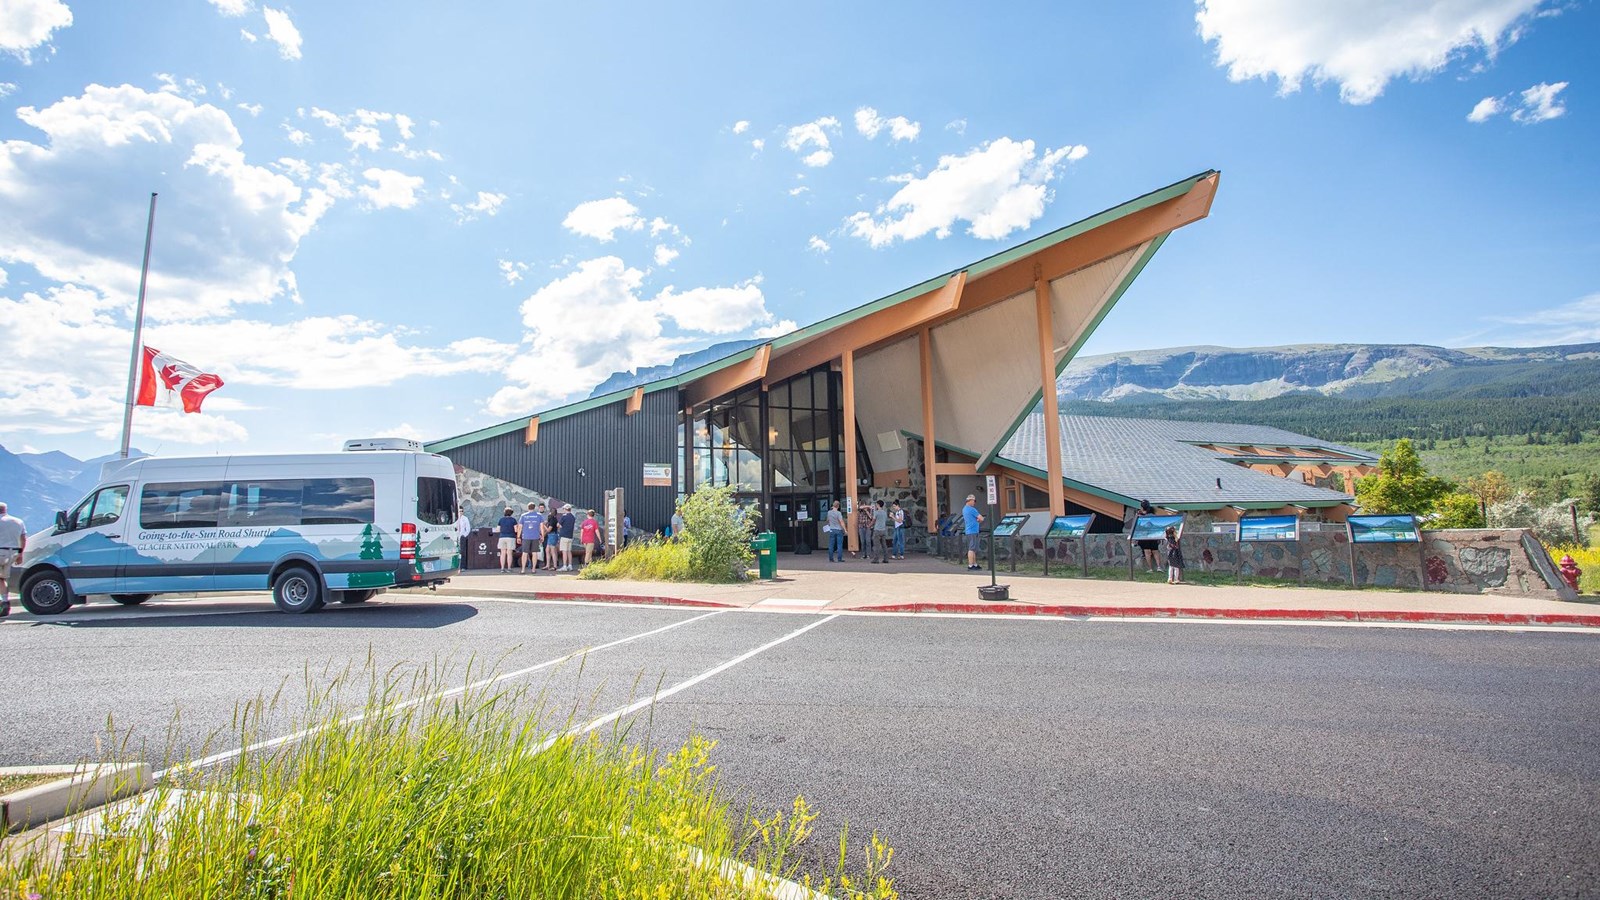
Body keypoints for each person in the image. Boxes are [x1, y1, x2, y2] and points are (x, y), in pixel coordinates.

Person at [0, 502, 26, 618]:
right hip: (13, 552)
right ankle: (5, 601)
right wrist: (20, 554)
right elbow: (23, 538)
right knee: (2, 578)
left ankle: (4, 603)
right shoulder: (18, 521)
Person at [517, 502, 545, 573]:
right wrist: (542, 535)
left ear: (528, 507)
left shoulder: (523, 516)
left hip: (526, 537)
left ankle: (523, 569)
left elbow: (520, 527)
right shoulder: (539, 515)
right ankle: (533, 569)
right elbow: (541, 526)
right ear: (534, 507)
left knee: (524, 553)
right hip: (535, 536)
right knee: (534, 553)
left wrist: (518, 537)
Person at [1134, 499, 1160, 573]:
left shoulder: (1139, 516)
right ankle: (1159, 567)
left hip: (1144, 536)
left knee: (1147, 552)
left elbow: (1137, 525)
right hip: (1153, 535)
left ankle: (1150, 568)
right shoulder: (1153, 515)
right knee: (1155, 551)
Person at [962, 494, 984, 571]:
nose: (974, 502)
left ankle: (974, 564)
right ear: (970, 501)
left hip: (969, 530)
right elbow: (981, 518)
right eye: (974, 501)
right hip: (973, 530)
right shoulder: (972, 509)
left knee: (973, 548)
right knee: (972, 548)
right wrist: (978, 520)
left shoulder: (964, 509)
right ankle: (971, 565)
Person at [495, 506, 518, 572]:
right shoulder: (513, 520)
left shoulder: (501, 520)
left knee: (502, 553)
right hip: (511, 537)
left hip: (502, 537)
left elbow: (498, 529)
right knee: (509, 553)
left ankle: (502, 568)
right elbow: (516, 530)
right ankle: (509, 568)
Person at [558, 504, 577, 571]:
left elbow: (558, 525)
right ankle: (570, 565)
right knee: (569, 551)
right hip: (570, 536)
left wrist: (561, 527)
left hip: (564, 536)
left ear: (565, 509)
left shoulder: (564, 516)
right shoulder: (573, 517)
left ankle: (564, 566)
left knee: (564, 551)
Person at [543, 507, 561, 571]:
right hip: (552, 535)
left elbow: (549, 529)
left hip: (552, 535)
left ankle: (555, 566)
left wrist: (544, 526)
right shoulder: (554, 519)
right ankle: (547, 565)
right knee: (547, 550)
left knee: (553, 551)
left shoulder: (552, 519)